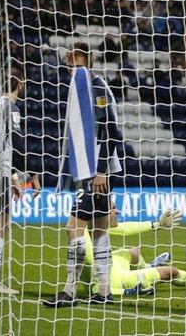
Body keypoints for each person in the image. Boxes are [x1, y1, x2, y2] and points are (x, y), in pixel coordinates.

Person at [44, 42, 123, 307]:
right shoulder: (85, 86)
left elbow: (111, 131)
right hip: (93, 170)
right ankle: (104, 291)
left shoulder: (95, 86)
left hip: (95, 171)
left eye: (72, 60)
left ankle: (69, 292)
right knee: (99, 231)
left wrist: (100, 171)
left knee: (73, 229)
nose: (68, 65)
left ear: (81, 58)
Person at [0, 68, 41, 294]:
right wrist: (31, 174)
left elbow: (3, 145)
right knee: (0, 226)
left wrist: (13, 177)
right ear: (19, 85)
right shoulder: (11, 107)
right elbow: (18, 145)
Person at [78, 203, 186, 296]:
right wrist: (127, 291)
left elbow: (124, 228)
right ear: (101, 215)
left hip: (113, 267)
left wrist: (157, 224)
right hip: (115, 280)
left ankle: (148, 267)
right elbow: (97, 288)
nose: (117, 212)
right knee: (170, 271)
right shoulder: (88, 247)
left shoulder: (92, 226)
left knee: (134, 252)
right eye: (112, 209)